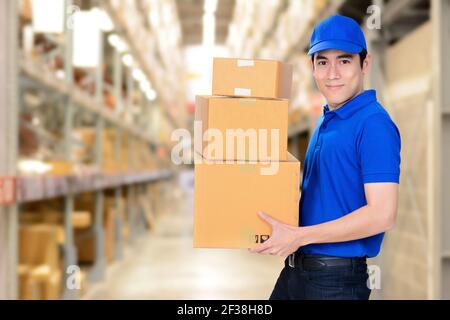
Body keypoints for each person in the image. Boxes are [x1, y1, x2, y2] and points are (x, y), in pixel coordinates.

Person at [250, 15, 401, 300]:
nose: (332, 73)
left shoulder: (373, 124)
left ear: (364, 64)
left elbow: (383, 214)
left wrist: (298, 236)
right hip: (297, 271)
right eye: (323, 62)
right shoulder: (324, 120)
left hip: (336, 282)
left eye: (344, 61)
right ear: (312, 68)